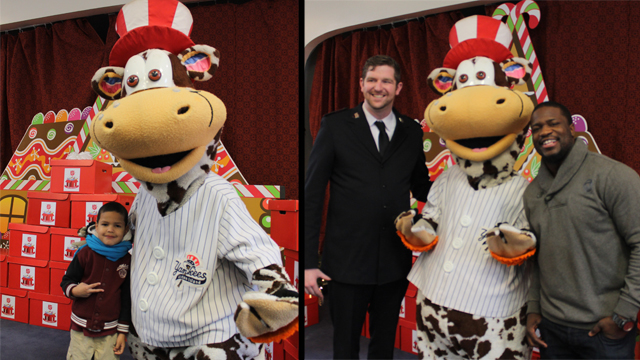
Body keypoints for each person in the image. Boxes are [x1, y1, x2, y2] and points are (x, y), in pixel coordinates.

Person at [304, 54, 431, 359]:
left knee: (384, 345)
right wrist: (309, 263)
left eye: (386, 81)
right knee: (344, 345)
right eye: (372, 80)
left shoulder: (412, 131)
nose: (379, 87)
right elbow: (313, 193)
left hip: (394, 261)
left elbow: (423, 187)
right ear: (361, 84)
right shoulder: (335, 126)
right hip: (345, 263)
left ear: (398, 87)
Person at [524, 101, 640, 359]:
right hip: (552, 331)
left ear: (572, 129)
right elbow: (536, 258)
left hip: (604, 331)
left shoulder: (613, 176)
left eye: (553, 123)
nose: (544, 132)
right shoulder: (531, 193)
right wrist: (534, 307)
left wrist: (623, 315)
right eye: (536, 128)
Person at [61, 202, 132, 360]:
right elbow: (67, 280)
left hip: (110, 330)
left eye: (117, 225)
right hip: (81, 326)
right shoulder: (85, 253)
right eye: (105, 224)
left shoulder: (127, 260)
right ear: (97, 226)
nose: (110, 230)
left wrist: (122, 332)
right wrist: (74, 290)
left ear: (126, 230)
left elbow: (126, 298)